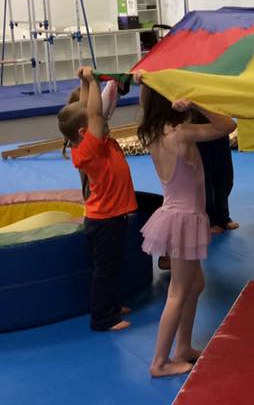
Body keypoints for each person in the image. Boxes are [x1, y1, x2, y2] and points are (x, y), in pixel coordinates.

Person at [135, 77, 235, 377]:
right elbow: (227, 126)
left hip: (176, 214)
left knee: (196, 284)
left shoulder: (154, 132)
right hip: (184, 219)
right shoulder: (181, 133)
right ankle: (160, 362)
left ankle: (183, 348)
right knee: (178, 291)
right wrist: (197, 100)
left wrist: (152, 84)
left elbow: (147, 99)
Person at [57, 67, 138, 332]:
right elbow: (92, 112)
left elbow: (87, 109)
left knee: (111, 267)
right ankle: (103, 318)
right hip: (105, 221)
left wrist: (84, 81)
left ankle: (110, 306)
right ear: (84, 132)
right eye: (101, 122)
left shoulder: (92, 144)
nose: (105, 123)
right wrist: (92, 80)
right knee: (105, 270)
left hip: (108, 218)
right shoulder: (88, 151)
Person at [192, 111, 237, 234]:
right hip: (198, 127)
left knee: (226, 178)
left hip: (219, 126)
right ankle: (210, 220)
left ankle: (223, 216)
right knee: (205, 179)